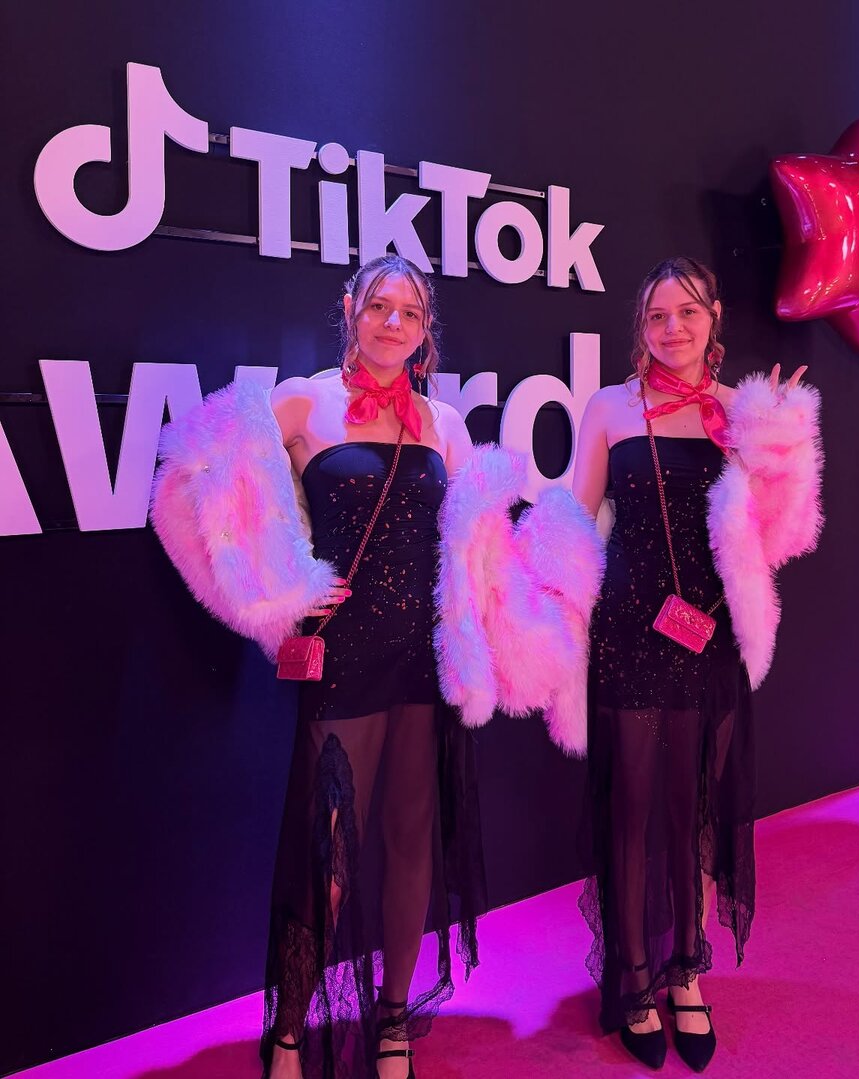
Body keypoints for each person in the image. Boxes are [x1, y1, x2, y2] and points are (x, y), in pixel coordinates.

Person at [151, 254, 602, 1078]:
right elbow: (193, 482)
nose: (394, 323)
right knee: (325, 848)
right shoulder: (304, 400)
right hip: (343, 656)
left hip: (423, 657)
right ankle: (290, 1027)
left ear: (426, 330)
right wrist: (280, 587)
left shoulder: (445, 423)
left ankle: (395, 1018)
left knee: (408, 837)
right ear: (350, 309)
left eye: (411, 312)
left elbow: (477, 549)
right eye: (379, 306)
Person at [572, 256, 823, 1072]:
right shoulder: (609, 407)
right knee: (630, 807)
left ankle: (686, 969)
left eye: (686, 311)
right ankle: (633, 978)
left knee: (695, 810)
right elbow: (575, 518)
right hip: (626, 630)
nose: (671, 327)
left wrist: (782, 440)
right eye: (656, 315)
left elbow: (781, 537)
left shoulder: (739, 411)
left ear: (714, 316)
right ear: (640, 327)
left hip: (707, 634)